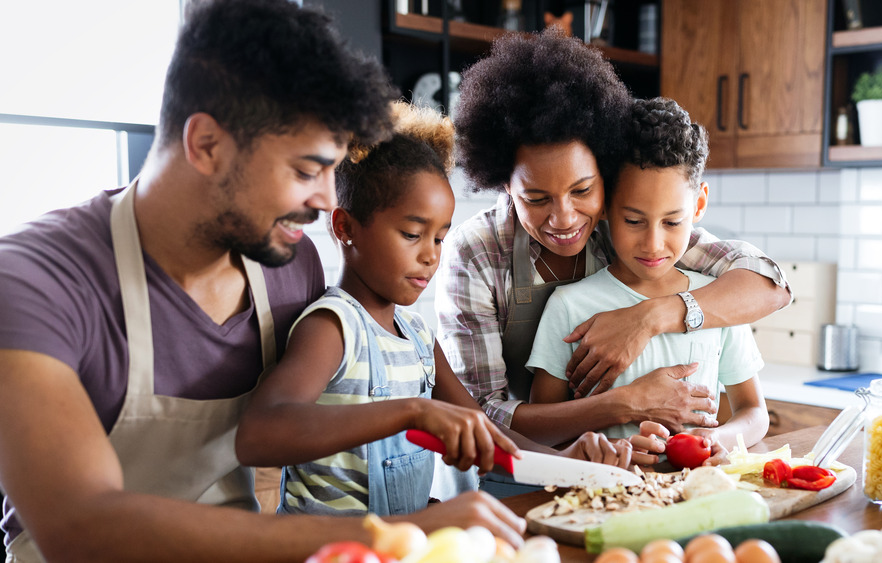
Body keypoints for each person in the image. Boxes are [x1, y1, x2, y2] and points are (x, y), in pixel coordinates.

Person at [0, 2, 515, 561]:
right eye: (304, 170)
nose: (323, 203)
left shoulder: (290, 268)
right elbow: (80, 527)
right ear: (206, 145)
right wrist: (393, 533)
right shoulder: (31, 281)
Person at [235, 102, 631, 519]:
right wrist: (411, 411)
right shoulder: (333, 327)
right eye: (412, 234)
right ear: (345, 228)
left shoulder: (418, 337)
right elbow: (259, 435)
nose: (431, 256)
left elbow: (488, 435)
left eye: (440, 238)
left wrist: (569, 462)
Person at [437, 29, 790, 451]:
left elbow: (769, 284)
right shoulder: (475, 254)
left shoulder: (628, 225)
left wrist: (649, 318)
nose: (564, 218)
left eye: (582, 190)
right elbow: (481, 415)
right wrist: (625, 404)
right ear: (504, 186)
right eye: (536, 197)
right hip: (503, 473)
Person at [528, 98, 770, 465]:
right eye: (634, 221)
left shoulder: (716, 300)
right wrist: (601, 449)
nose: (654, 244)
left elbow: (754, 412)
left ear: (699, 205)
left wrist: (720, 438)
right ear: (606, 205)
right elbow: (541, 431)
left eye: (672, 222)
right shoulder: (569, 306)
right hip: (605, 497)